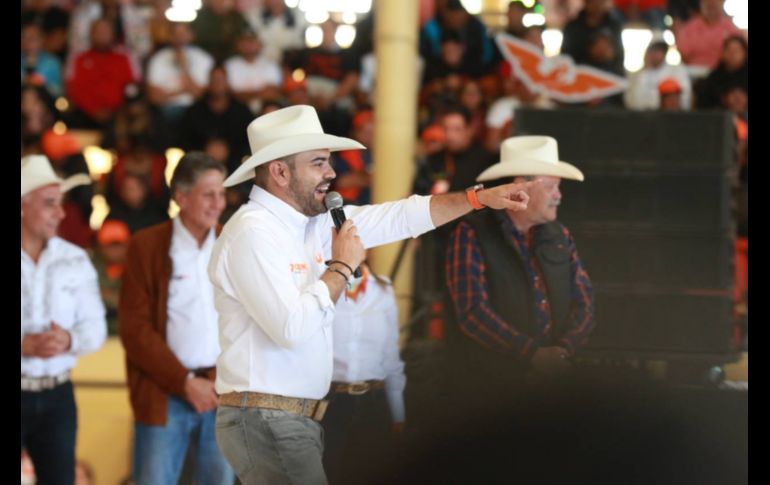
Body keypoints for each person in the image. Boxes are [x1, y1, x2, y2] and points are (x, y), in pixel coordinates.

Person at [208, 104, 534, 484]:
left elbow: (402, 216)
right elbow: (292, 327)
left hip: (288, 418)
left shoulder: (313, 225)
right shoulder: (253, 231)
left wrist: (477, 200)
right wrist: (342, 267)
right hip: (265, 416)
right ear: (279, 171)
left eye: (328, 162)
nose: (331, 173)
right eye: (318, 163)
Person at [444, 135, 596, 412]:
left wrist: (560, 354)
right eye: (551, 187)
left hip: (553, 387)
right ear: (519, 189)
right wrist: (534, 355)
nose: (558, 195)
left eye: (558, 187)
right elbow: (472, 312)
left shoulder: (560, 235)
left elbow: (585, 303)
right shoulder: (473, 231)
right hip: (490, 392)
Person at [118, 152, 233, 484]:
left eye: (221, 194)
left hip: (220, 391)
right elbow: (134, 329)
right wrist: (184, 382)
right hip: (163, 391)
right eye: (208, 194)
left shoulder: (232, 242)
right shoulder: (148, 246)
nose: (218, 203)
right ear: (181, 197)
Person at [21, 154, 107, 485]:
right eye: (49, 204)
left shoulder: (75, 259)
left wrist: (69, 340)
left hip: (58, 393)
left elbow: (96, 328)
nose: (60, 212)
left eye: (60, 203)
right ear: (23, 206)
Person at [321, 262, 406, 485]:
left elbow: (391, 357)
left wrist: (398, 413)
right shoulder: (321, 287)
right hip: (330, 403)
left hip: (375, 402)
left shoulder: (383, 288)